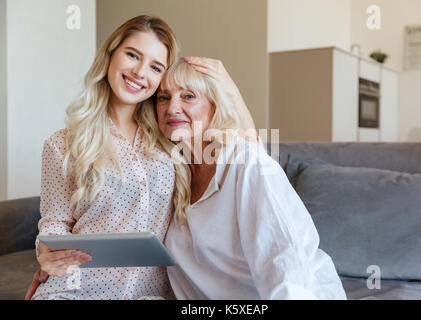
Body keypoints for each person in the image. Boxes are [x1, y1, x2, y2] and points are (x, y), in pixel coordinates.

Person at [25, 15, 255, 300]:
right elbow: (55, 224)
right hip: (76, 290)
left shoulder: (173, 139)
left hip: (150, 294)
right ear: (111, 55)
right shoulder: (62, 143)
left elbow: (252, 159)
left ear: (161, 79)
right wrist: (48, 255)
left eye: (156, 67)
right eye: (132, 55)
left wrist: (230, 90)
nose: (140, 72)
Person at [155, 59, 347, 299]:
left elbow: (283, 263)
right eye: (163, 98)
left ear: (215, 107)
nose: (172, 108)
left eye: (188, 96)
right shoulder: (171, 174)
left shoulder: (246, 164)